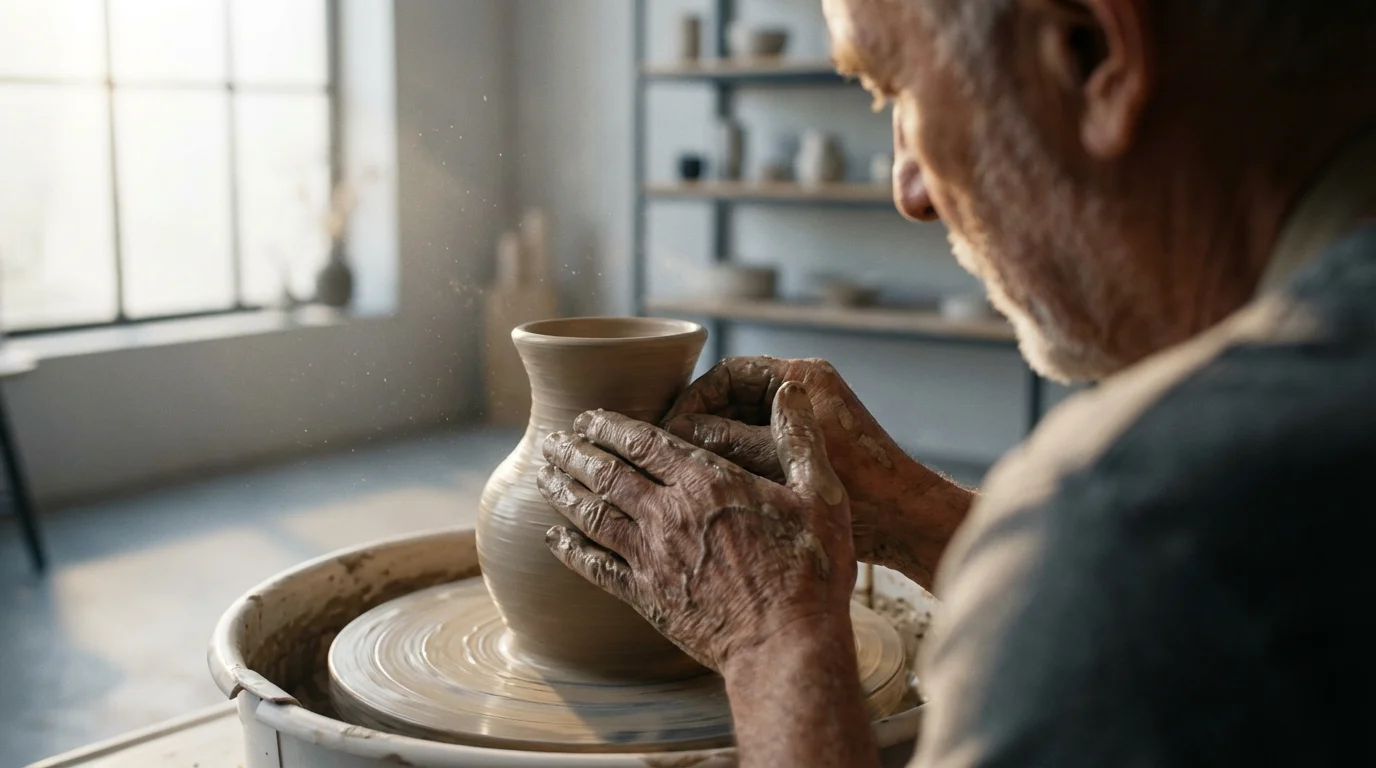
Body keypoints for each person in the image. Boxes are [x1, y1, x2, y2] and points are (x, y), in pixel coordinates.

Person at [540, 0, 1376, 765]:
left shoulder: (1128, 522)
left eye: (892, 87)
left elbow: (1151, 578)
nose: (908, 190)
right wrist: (918, 519)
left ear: (1087, 53)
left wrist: (771, 644)